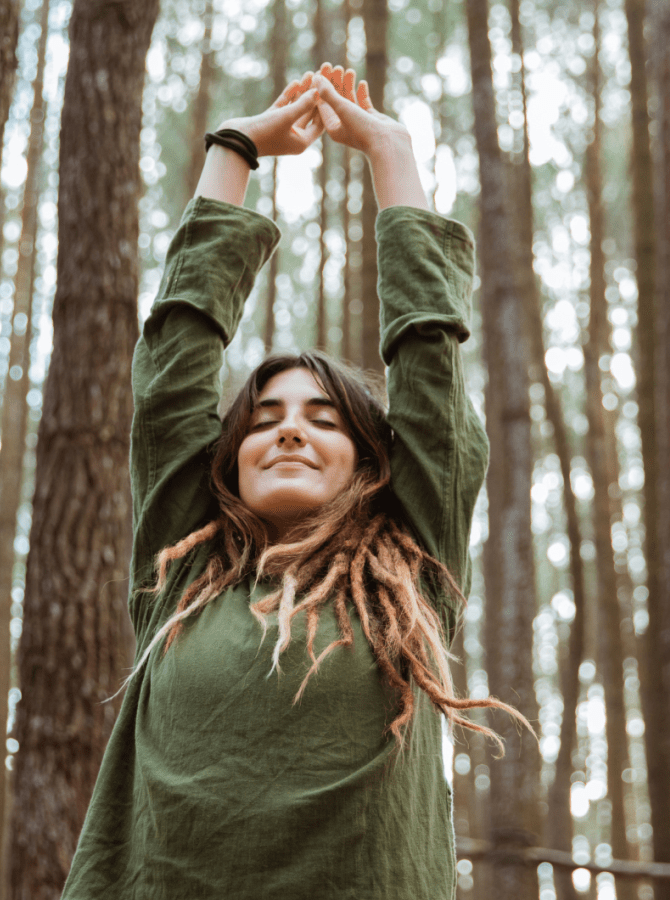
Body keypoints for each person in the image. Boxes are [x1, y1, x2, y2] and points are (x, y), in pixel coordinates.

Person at [60, 64, 526, 900]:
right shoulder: (182, 579)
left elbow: (431, 377)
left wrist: (390, 152)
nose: (288, 427)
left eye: (323, 417)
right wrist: (234, 150)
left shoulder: (413, 568)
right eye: (266, 415)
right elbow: (171, 377)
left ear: (370, 461)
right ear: (228, 458)